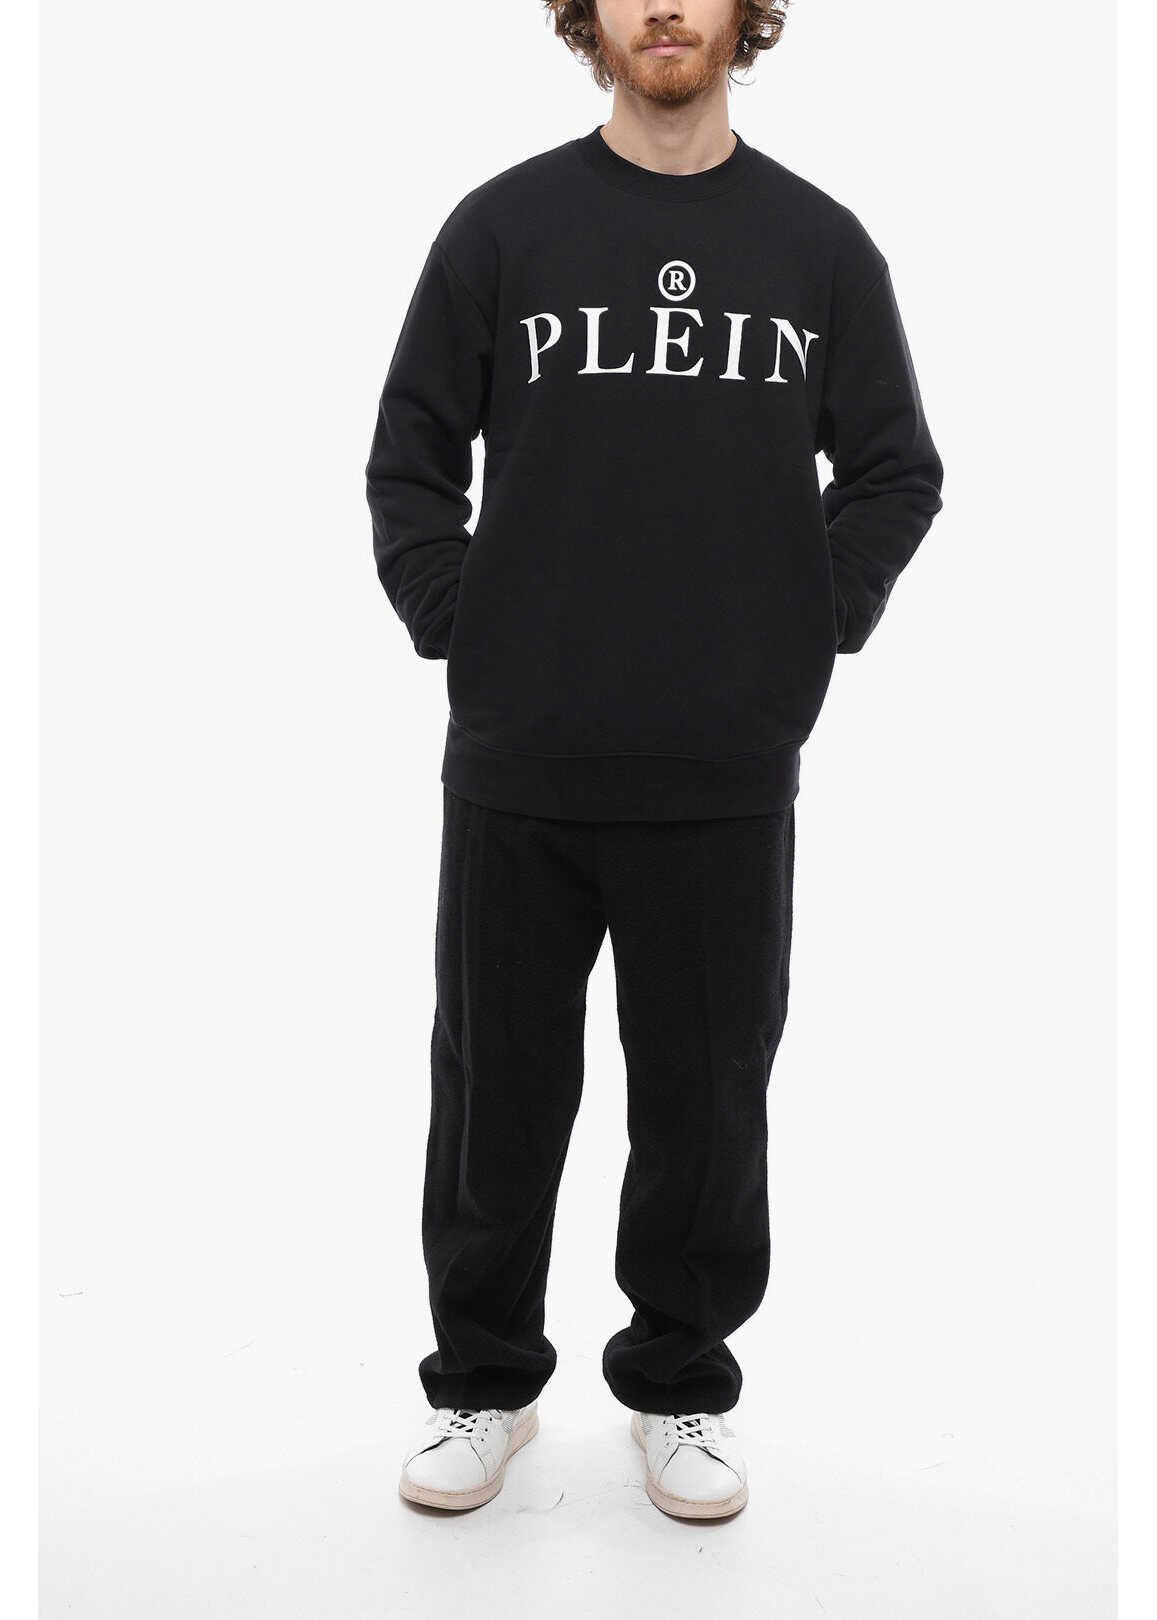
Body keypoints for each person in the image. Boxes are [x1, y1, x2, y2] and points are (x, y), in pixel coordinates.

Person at [366, 0, 944, 1520]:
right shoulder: (503, 229)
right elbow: (410, 453)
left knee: (706, 1107)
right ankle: (484, 1382)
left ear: (748, 12)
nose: (664, 7)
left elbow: (895, 468)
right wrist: (463, 620)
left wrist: (806, 622)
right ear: (589, 16)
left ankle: (680, 1388)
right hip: (520, 758)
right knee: (495, 1095)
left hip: (721, 769)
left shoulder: (817, 248)